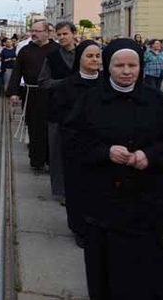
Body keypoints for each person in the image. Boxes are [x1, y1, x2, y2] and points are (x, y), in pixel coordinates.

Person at [64, 39, 163, 300]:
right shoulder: (91, 100)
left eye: (132, 65)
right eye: (119, 65)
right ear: (108, 67)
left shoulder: (157, 100)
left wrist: (150, 155)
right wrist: (105, 152)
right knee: (107, 268)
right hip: (103, 200)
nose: (126, 71)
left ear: (140, 67)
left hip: (148, 202)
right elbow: (72, 139)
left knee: (149, 269)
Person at [53, 40, 102, 248]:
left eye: (98, 56)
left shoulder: (107, 83)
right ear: (80, 59)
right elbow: (59, 114)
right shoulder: (68, 85)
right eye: (89, 56)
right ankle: (79, 227)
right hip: (76, 145)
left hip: (102, 147)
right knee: (77, 189)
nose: (94, 60)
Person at [7, 21, 60, 172]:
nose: (34, 34)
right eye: (33, 31)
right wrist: (14, 92)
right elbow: (17, 72)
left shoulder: (56, 50)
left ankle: (51, 161)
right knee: (34, 128)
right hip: (32, 94)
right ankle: (37, 160)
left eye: (38, 31)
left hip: (52, 95)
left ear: (47, 32)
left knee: (51, 128)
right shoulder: (25, 50)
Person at [39, 21, 78, 199]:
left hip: (81, 111)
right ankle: (61, 191)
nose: (62, 37)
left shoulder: (85, 54)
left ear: (74, 34)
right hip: (58, 110)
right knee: (57, 152)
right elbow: (43, 82)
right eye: (59, 34)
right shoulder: (52, 57)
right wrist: (63, 83)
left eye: (65, 34)